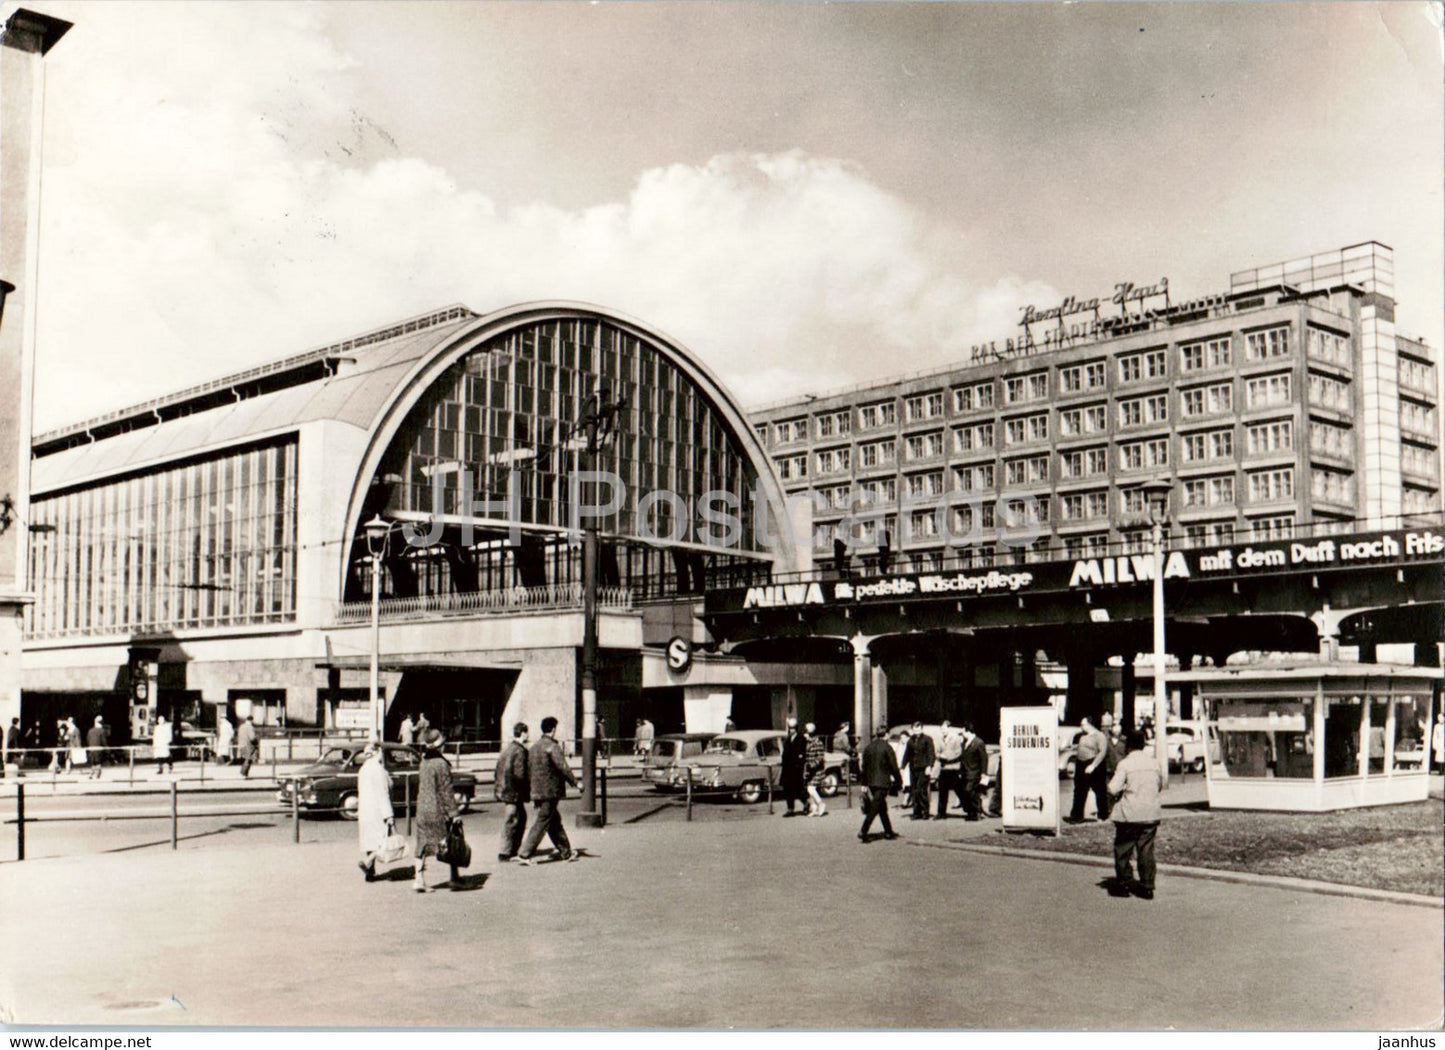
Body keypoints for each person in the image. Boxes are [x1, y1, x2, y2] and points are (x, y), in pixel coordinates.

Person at [1107, 730, 1165, 899]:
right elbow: (1158, 785)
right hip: (1151, 813)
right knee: (1146, 850)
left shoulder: (1125, 764)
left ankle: (1124, 884)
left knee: (1123, 849)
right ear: (1143, 745)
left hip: (1129, 814)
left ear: (1128, 746)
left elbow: (1113, 788)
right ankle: (1147, 886)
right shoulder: (1155, 763)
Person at [518, 716, 580, 864]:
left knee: (554, 822)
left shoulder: (534, 747)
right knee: (543, 822)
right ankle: (524, 853)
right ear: (553, 729)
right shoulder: (553, 747)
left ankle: (566, 852)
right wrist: (576, 783)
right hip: (551, 791)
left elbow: (529, 770)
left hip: (538, 791)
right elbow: (562, 767)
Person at [413, 728, 460, 891]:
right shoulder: (441, 764)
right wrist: (454, 813)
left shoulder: (424, 762)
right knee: (451, 841)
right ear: (440, 746)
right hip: (438, 811)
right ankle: (454, 877)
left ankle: (418, 879)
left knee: (422, 844)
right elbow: (446, 791)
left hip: (422, 809)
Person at [357, 743, 395, 882]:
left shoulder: (363, 769)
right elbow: (383, 793)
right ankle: (368, 861)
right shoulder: (378, 770)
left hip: (365, 810)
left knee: (370, 841)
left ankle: (370, 872)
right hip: (377, 810)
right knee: (382, 840)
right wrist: (389, 815)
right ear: (377, 753)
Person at [858, 726, 902, 843]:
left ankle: (888, 831)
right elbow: (894, 766)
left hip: (871, 781)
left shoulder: (868, 747)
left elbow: (864, 767)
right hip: (883, 782)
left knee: (881, 807)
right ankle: (863, 830)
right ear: (886, 735)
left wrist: (864, 783)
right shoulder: (888, 748)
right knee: (875, 807)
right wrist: (899, 780)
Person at [495, 722, 530, 862]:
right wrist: (526, 791)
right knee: (512, 819)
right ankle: (506, 851)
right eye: (527, 732)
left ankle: (511, 849)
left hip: (505, 789)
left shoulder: (507, 748)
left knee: (519, 818)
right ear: (523, 733)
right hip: (513, 791)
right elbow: (520, 774)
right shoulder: (520, 751)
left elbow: (498, 769)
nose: (528, 735)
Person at [1067, 717, 1108, 823]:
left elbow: (1102, 752)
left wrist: (1093, 765)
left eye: (1083, 724)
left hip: (1093, 764)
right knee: (1079, 790)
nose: (1081, 726)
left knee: (1099, 790)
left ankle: (1103, 815)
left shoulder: (1099, 736)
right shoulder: (1082, 736)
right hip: (1080, 764)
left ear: (1090, 724)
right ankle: (1076, 816)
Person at [902, 721, 935, 820]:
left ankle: (925, 812)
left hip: (923, 769)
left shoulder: (927, 739)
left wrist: (929, 766)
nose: (917, 731)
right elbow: (907, 754)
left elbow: (931, 754)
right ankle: (916, 813)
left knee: (922, 790)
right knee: (914, 790)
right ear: (912, 730)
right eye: (915, 729)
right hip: (913, 768)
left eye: (919, 729)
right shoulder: (910, 741)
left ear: (922, 729)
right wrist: (903, 766)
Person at [934, 721, 964, 819]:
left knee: (959, 790)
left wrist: (947, 757)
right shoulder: (940, 739)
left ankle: (971, 810)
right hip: (944, 768)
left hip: (953, 768)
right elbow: (937, 751)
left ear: (949, 728)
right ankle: (941, 813)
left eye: (945, 729)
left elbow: (958, 753)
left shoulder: (955, 738)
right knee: (942, 791)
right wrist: (939, 756)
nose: (943, 731)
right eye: (942, 729)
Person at [959, 722, 988, 821]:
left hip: (974, 772)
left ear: (968, 731)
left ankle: (977, 811)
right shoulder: (964, 743)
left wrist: (984, 773)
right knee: (967, 792)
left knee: (969, 791)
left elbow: (983, 759)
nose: (961, 734)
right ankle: (972, 812)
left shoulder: (978, 742)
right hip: (965, 772)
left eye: (963, 732)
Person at [779, 718, 808, 816]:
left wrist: (799, 765)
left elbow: (801, 754)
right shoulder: (787, 739)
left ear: (796, 728)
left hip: (796, 769)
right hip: (787, 769)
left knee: (798, 789)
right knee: (787, 789)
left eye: (793, 728)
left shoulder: (801, 739)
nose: (791, 730)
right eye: (790, 728)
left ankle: (806, 804)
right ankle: (790, 809)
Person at [803, 722, 827, 817]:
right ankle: (813, 808)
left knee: (811, 788)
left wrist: (811, 765)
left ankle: (820, 803)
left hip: (816, 770)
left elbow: (820, 757)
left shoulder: (818, 743)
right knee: (808, 789)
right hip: (809, 770)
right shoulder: (807, 742)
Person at [236, 714, 259, 778]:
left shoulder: (241, 726)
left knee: (245, 759)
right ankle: (243, 773)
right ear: (251, 720)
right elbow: (252, 738)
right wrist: (256, 739)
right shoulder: (250, 727)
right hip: (248, 746)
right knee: (248, 760)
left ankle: (243, 773)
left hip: (241, 744)